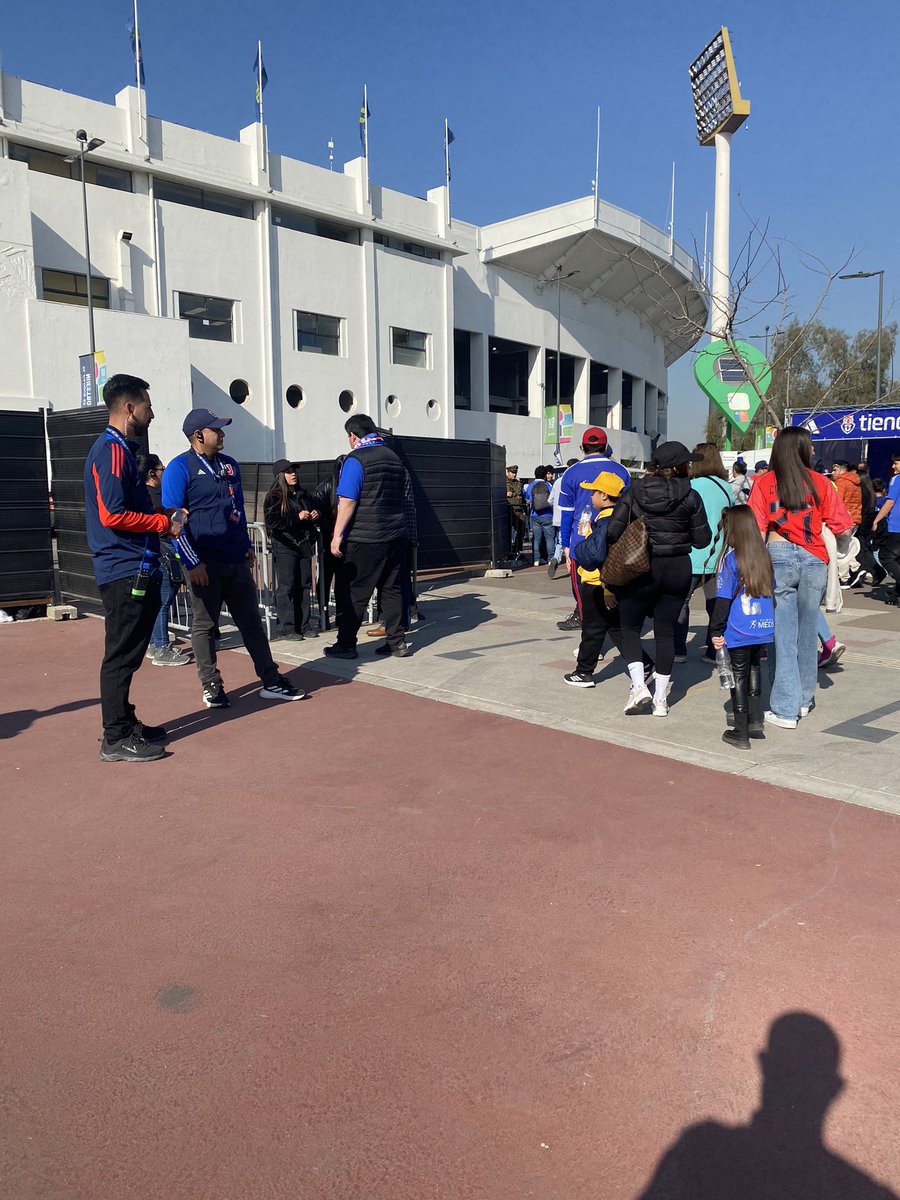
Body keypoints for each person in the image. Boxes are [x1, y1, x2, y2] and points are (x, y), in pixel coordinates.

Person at [162, 409, 304, 707]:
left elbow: (236, 510)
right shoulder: (179, 468)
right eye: (217, 430)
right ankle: (211, 685)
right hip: (203, 562)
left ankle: (271, 680)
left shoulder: (229, 466)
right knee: (204, 625)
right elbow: (174, 523)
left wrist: (245, 547)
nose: (223, 434)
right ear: (199, 435)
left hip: (235, 560)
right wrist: (192, 563)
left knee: (251, 621)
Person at [83, 374, 187, 762]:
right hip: (122, 568)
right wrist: (164, 524)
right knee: (121, 654)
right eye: (146, 406)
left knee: (129, 651)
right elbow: (112, 514)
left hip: (134, 565)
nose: (152, 413)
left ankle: (124, 722)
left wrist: (162, 513)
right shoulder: (110, 450)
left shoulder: (123, 450)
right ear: (129, 408)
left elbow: (131, 507)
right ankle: (115, 737)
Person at [747, 426, 852, 728]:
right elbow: (844, 527)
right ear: (804, 449)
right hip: (814, 560)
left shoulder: (764, 482)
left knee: (782, 637)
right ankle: (804, 699)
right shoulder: (821, 482)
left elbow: (755, 527)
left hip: (778, 557)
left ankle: (785, 708)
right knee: (807, 635)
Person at [606, 441, 711, 716]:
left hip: (640, 567)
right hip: (677, 567)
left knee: (629, 627)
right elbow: (702, 540)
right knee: (665, 632)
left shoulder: (634, 492)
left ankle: (639, 685)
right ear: (678, 466)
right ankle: (661, 700)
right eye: (687, 462)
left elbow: (612, 532)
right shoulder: (691, 496)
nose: (690, 466)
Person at [325, 414, 410, 659]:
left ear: (353, 436)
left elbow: (348, 500)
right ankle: (397, 642)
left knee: (354, 591)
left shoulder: (356, 459)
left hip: (366, 536)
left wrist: (337, 536)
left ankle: (347, 644)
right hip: (395, 534)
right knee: (391, 589)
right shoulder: (394, 458)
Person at [564, 472, 653, 688]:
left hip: (598, 583)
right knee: (616, 629)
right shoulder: (620, 518)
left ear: (604, 496)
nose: (591, 495)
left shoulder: (605, 522)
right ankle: (646, 665)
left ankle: (584, 671)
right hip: (610, 584)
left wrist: (581, 544)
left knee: (592, 630)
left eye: (594, 491)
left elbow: (596, 556)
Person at [709, 507, 775, 750]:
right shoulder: (765, 557)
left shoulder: (731, 560)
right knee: (755, 667)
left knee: (738, 674)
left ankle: (741, 731)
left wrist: (716, 631)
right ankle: (755, 720)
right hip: (763, 625)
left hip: (739, 627)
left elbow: (723, 599)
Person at [557, 428, 631, 630]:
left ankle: (592, 640)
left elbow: (566, 513)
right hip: (615, 541)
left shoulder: (571, 473)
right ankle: (616, 631)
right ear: (606, 447)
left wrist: (565, 545)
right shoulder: (621, 471)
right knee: (615, 591)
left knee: (583, 595)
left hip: (581, 544)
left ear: (582, 447)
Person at [674, 443, 732, 663]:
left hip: (693, 554)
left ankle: (679, 650)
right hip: (720, 555)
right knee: (715, 603)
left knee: (682, 601)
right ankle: (713, 649)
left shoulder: (691, 486)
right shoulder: (727, 487)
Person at [136, 451, 191, 667]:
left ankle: (154, 643)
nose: (164, 473)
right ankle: (161, 647)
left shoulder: (142, 495)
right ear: (152, 473)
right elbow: (159, 524)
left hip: (151, 553)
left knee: (157, 600)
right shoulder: (152, 496)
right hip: (161, 552)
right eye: (162, 469)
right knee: (164, 600)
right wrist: (172, 519)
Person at [263, 459, 320, 641]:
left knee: (304, 584)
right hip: (285, 545)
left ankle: (304, 624)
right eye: (288, 471)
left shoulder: (304, 494)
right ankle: (286, 627)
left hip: (304, 544)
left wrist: (314, 515)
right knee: (287, 586)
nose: (293, 474)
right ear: (280, 476)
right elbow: (272, 522)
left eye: (294, 470)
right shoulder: (274, 496)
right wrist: (296, 517)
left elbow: (313, 515)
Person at [869, 453, 900, 605]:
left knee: (886, 557)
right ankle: (895, 593)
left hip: (897, 526)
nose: (893, 467)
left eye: (896, 463)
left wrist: (877, 519)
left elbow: (889, 503)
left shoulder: (897, 480)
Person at [548, 459, 578, 579]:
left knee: (561, 539)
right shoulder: (574, 480)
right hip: (572, 515)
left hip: (558, 516)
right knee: (570, 539)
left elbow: (550, 500)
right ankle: (569, 561)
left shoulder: (558, 481)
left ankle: (556, 557)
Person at [525, 467, 555, 566]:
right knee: (549, 539)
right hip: (548, 515)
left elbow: (528, 500)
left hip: (535, 515)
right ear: (545, 475)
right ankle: (550, 558)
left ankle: (536, 560)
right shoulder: (548, 485)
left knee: (536, 539)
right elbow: (552, 498)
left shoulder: (531, 486)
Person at [505, 465, 527, 559]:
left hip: (519, 510)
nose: (514, 475)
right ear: (507, 472)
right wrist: (505, 494)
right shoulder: (503, 483)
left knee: (521, 531)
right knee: (507, 533)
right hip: (509, 511)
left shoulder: (518, 483)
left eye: (515, 473)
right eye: (512, 472)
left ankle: (516, 550)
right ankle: (508, 551)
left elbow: (521, 496)